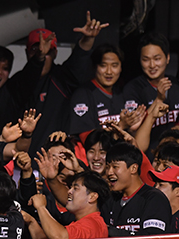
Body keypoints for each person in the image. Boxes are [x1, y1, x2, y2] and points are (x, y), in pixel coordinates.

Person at [17, 12, 110, 156]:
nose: (42, 54)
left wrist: (88, 38)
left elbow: (78, 60)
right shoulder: (18, 82)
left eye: (47, 51)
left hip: (54, 161)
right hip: (20, 160)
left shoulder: (61, 78)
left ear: (55, 53)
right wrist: (39, 58)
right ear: (27, 53)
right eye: (36, 50)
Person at [122, 32, 179, 155]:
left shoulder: (177, 85)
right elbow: (135, 133)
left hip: (174, 157)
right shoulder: (133, 89)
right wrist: (158, 99)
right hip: (147, 158)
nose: (152, 65)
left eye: (157, 59)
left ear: (168, 58)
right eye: (146, 59)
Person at [69, 44, 126, 137]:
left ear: (120, 68)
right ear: (95, 66)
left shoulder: (122, 93)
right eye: (103, 66)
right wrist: (122, 126)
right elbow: (86, 138)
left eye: (114, 66)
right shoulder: (83, 94)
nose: (109, 72)